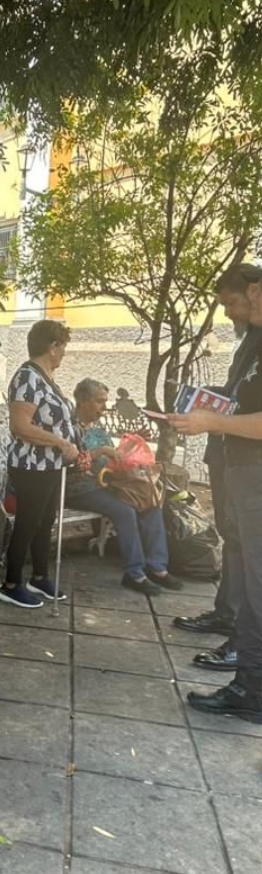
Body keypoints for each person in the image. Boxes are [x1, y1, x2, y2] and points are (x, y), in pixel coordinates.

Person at [169, 262, 262, 723]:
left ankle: (252, 688)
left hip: (257, 477)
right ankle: (246, 675)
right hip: (242, 471)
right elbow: (242, 398)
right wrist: (205, 402)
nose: (229, 313)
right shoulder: (253, 344)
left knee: (257, 583)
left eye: (232, 302)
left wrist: (213, 421)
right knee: (245, 571)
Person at [67, 378, 182, 595]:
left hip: (107, 483)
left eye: (105, 402)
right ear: (82, 401)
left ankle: (157, 567)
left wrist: (132, 443)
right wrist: (100, 451)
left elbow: (113, 458)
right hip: (79, 488)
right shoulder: (68, 426)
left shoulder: (97, 427)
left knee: (150, 503)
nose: (104, 407)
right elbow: (69, 463)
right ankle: (134, 573)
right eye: (99, 402)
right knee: (125, 511)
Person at [0, 320, 79, 608]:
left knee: (45, 522)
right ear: (52, 346)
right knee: (28, 523)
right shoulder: (27, 378)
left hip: (51, 466)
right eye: (63, 346)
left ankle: (39, 576)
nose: (65, 353)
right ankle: (11, 583)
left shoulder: (46, 378)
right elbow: (21, 426)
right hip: (31, 465)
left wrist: (70, 442)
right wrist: (60, 443)